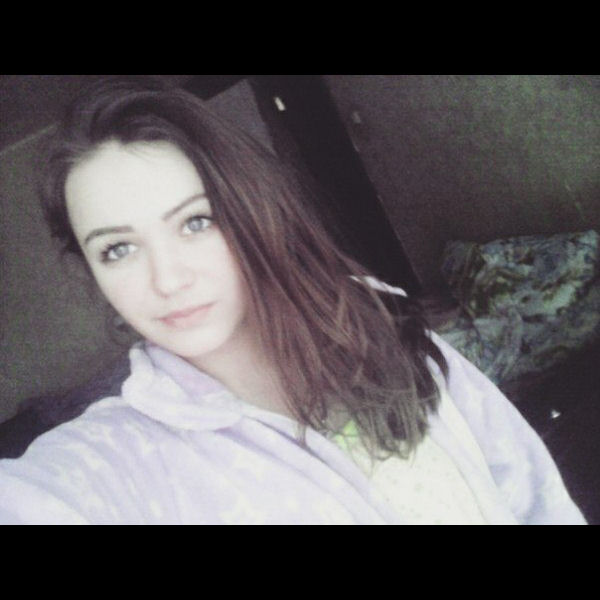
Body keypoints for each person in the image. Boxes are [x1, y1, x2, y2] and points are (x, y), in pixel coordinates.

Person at [0, 76, 586, 524]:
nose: (168, 279)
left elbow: (523, 482)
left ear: (253, 209)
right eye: (118, 250)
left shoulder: (370, 316)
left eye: (196, 222)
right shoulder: (115, 461)